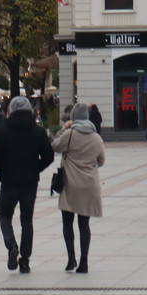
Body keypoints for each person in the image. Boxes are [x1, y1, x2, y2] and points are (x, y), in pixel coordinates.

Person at [0, 96, 54, 274]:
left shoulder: (1, 130)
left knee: (5, 217)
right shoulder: (38, 131)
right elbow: (49, 156)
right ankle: (25, 260)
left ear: (12, 110)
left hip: (8, 182)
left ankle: (11, 246)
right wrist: (36, 169)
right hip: (30, 183)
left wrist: (1, 171)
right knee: (27, 221)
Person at [52, 103, 106, 273]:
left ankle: (71, 258)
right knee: (84, 224)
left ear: (73, 118)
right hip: (89, 186)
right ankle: (84, 261)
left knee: (67, 223)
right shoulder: (96, 138)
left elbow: (55, 145)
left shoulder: (69, 134)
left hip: (70, 184)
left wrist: (63, 128)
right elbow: (101, 160)